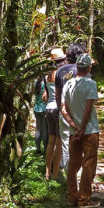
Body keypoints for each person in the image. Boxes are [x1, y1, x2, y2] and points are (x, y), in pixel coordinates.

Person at [61, 53, 100, 207]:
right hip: (89, 130)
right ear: (89, 67)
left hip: (74, 131)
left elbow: (63, 108)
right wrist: (82, 128)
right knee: (88, 163)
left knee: (73, 164)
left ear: (77, 67)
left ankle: (72, 196)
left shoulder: (68, 84)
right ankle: (84, 199)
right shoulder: (90, 84)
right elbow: (88, 108)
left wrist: (73, 125)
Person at [54, 43, 86, 171]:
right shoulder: (83, 70)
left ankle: (70, 176)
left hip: (64, 111)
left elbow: (57, 94)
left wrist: (61, 110)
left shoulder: (60, 71)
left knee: (66, 143)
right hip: (80, 112)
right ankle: (80, 174)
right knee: (81, 142)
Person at [45, 47, 67, 180]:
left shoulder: (48, 74)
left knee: (50, 142)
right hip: (58, 109)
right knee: (58, 143)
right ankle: (56, 173)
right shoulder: (61, 74)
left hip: (48, 108)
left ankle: (47, 172)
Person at [33, 71, 48, 155]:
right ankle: (46, 150)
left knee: (38, 129)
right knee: (45, 131)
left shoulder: (36, 82)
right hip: (44, 108)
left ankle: (38, 149)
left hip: (36, 108)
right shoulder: (45, 83)